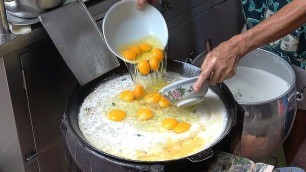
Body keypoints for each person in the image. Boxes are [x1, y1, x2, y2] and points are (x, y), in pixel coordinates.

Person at [137, 0, 306, 166]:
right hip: (259, 22)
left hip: (301, 48)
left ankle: (285, 165)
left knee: (298, 113)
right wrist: (245, 42)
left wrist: (240, 45)